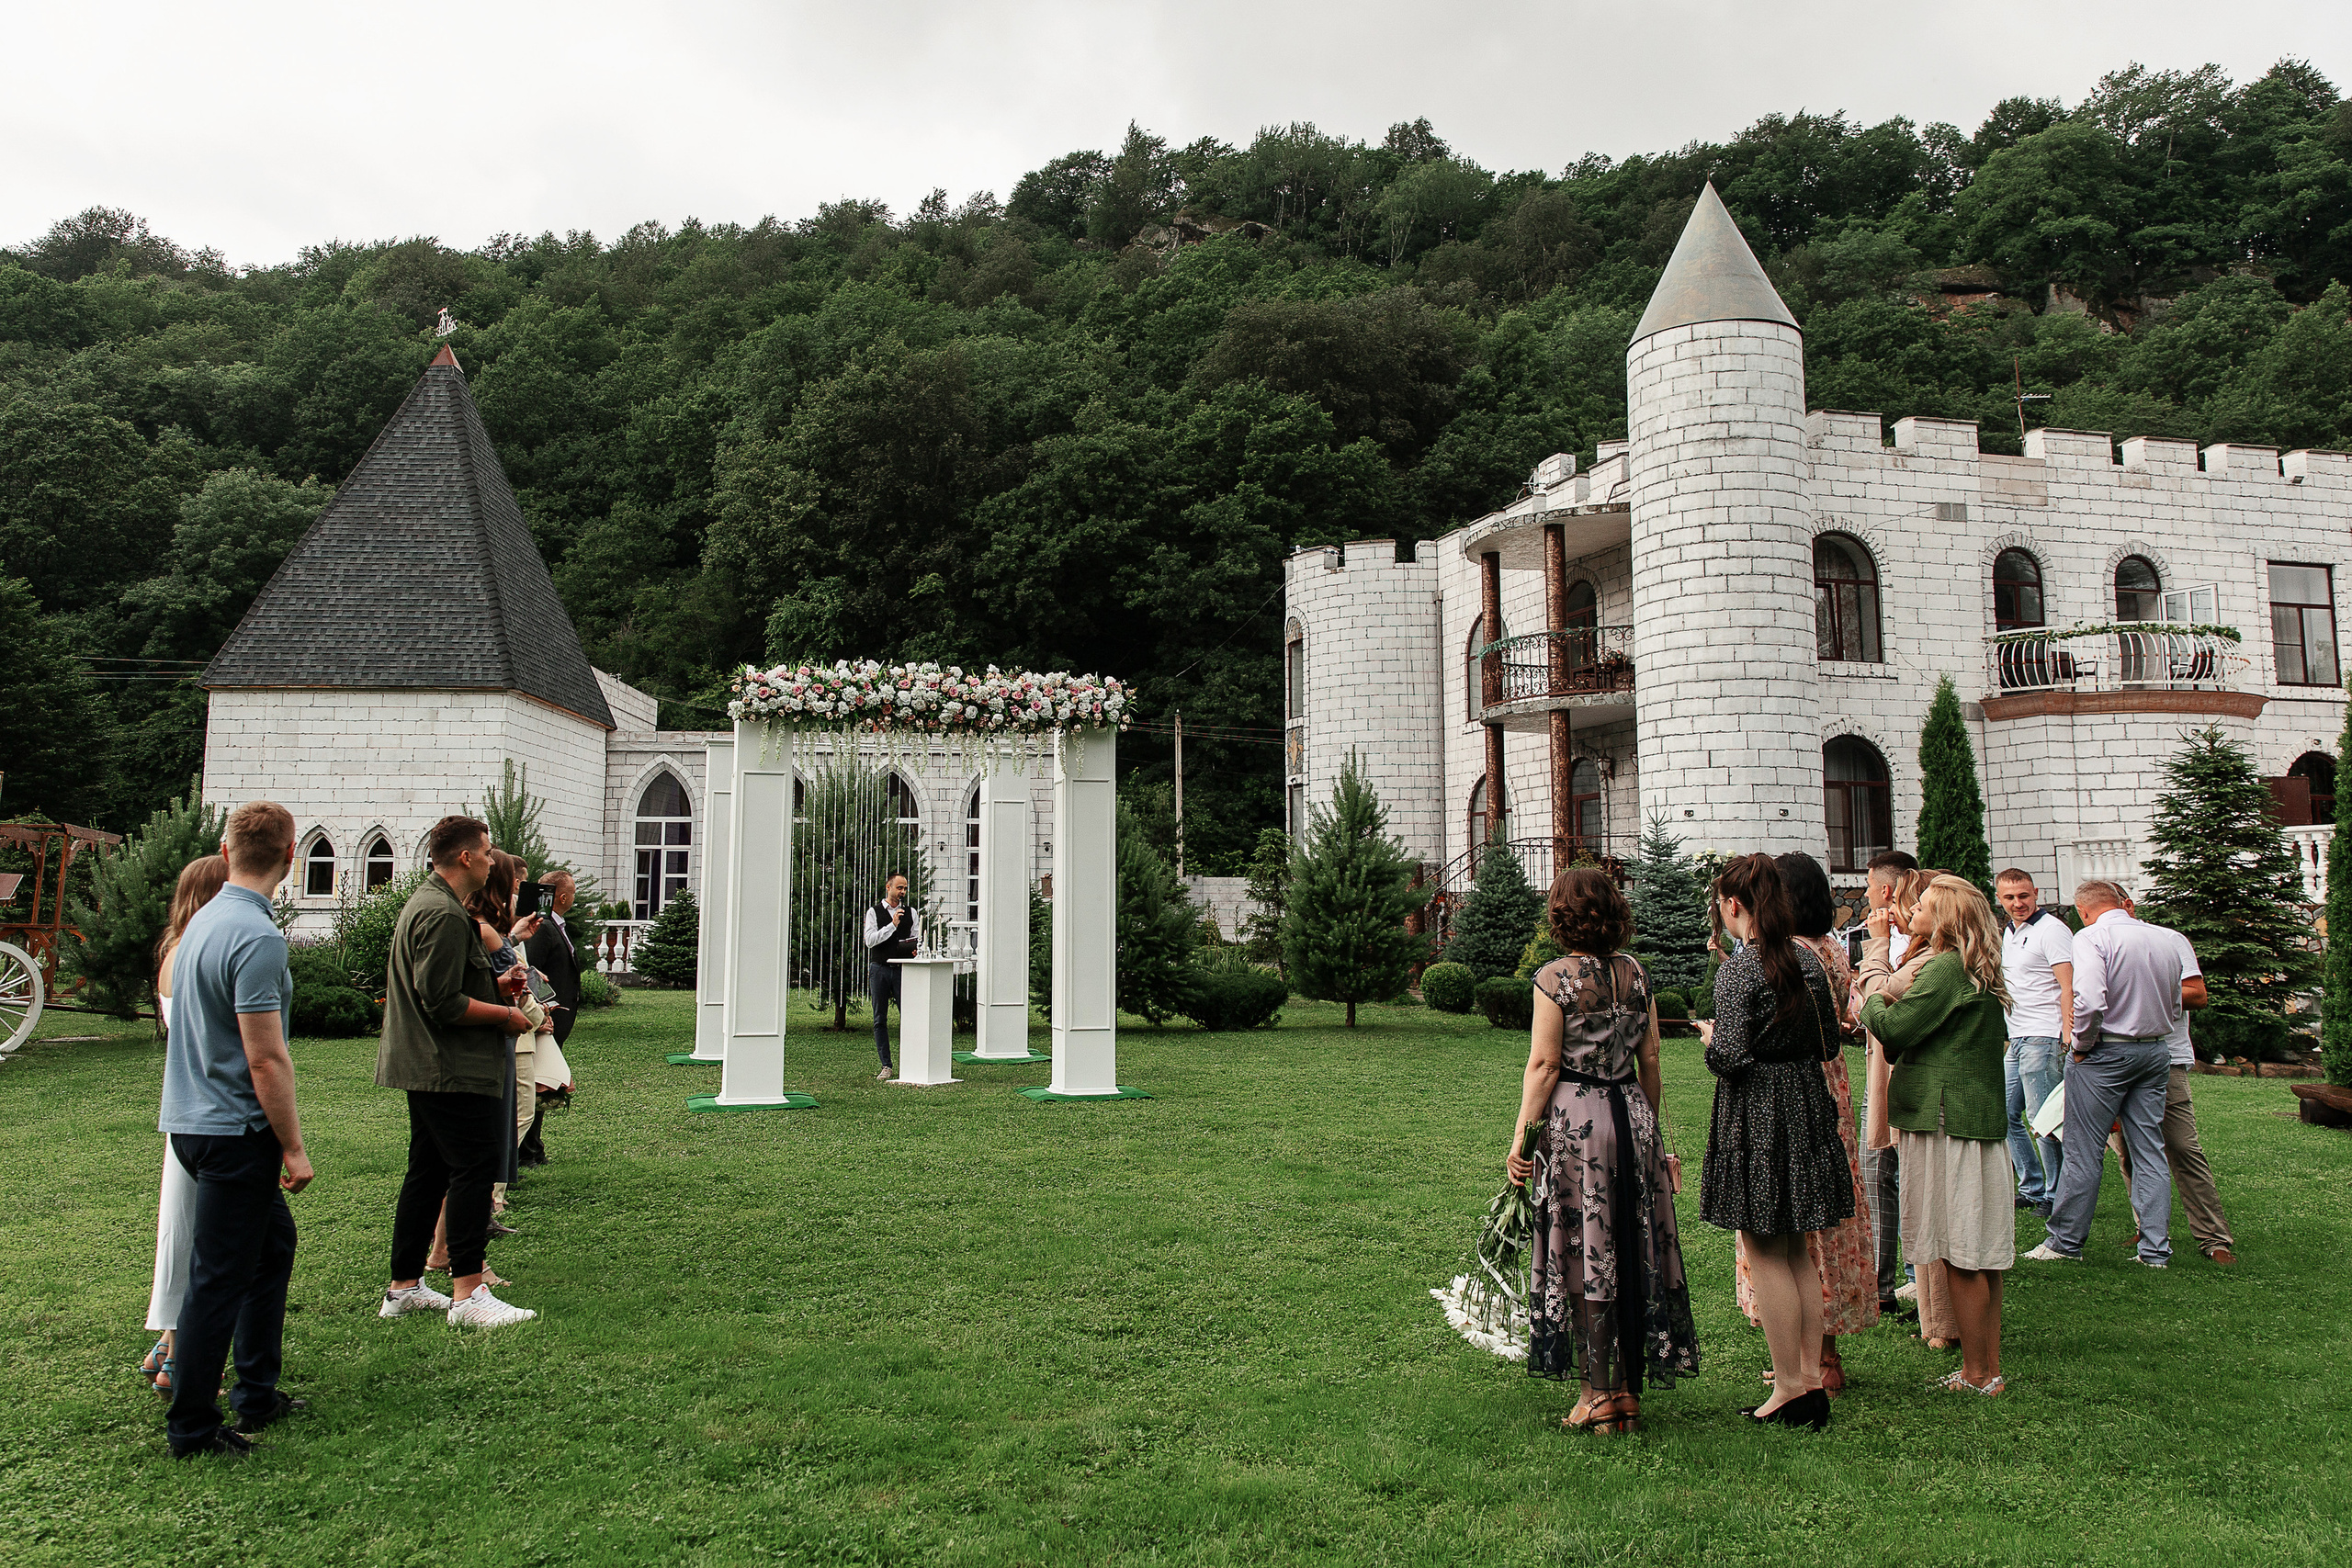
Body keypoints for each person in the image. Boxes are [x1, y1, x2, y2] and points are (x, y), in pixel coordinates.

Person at [1505, 868, 1700, 1436]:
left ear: (1562, 918)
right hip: (1632, 1116)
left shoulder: (1554, 979)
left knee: (1587, 1250)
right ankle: (1627, 1391)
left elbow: (1543, 1065)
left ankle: (1595, 1394)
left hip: (1578, 1122)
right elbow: (1654, 1059)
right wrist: (1652, 1133)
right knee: (1631, 1243)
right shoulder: (1636, 974)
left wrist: (1521, 1135)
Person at [156, 803, 312, 1458]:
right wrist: (294, 1146)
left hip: (191, 1123)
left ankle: (256, 1390)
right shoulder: (256, 937)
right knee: (218, 1276)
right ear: (291, 854)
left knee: (272, 1246)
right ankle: (192, 1425)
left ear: (225, 850)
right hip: (231, 1128)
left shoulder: (203, 922)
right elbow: (264, 1055)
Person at [1697, 853, 1851, 1431]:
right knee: (1797, 1249)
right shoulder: (1806, 965)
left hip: (1760, 1112)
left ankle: (1789, 1386)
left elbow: (1731, 1056)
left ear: (1733, 904)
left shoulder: (1742, 970)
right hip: (1807, 1105)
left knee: (1766, 1246)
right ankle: (1809, 1380)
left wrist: (1714, 1038)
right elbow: (1830, 1044)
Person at [376, 815, 541, 1329]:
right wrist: (507, 1016)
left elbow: (446, 988)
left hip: (429, 1065)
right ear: (466, 857)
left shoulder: (432, 904)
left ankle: (403, 1287)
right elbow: (443, 1002)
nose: (493, 861)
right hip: (449, 1067)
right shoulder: (443, 914)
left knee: (426, 1174)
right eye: (488, 852)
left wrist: (497, 990)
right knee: (471, 1169)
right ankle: (468, 1291)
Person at [1859, 875, 2016, 1396]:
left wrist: (1870, 1000)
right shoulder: (1975, 967)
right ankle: (1986, 1369)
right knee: (1980, 1252)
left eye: (1923, 906)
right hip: (1973, 1118)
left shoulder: (1945, 968)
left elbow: (1894, 1027)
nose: (1914, 911)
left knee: (1960, 1248)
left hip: (1944, 1120)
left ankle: (1976, 1374)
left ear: (1945, 920)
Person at [1735, 852, 1877, 1396]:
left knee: (1791, 1220)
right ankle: (1818, 1356)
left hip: (1785, 1090)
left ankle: (1808, 1360)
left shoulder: (1786, 955)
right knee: (1825, 1209)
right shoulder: (1832, 952)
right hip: (1829, 1083)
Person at [2025, 879, 2180, 1268]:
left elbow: (2090, 999)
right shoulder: (2166, 937)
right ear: (2121, 903)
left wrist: (2080, 1044)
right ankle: (2155, 1250)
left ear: (2083, 909)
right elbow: (2176, 1002)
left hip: (2107, 1051)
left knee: (2083, 1150)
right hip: (2155, 1050)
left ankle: (2065, 1242)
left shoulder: (2091, 937)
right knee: (2149, 1150)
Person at [140, 853, 230, 1399]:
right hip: (210, 1107)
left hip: (183, 1105)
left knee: (182, 1226)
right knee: (202, 1234)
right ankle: (182, 1355)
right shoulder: (197, 953)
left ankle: (170, 1342)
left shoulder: (174, 950)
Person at [2119, 894, 2234, 1265]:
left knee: (2182, 1147)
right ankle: (2148, 1228)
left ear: (2128, 904)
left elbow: (2197, 994)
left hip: (2166, 1058)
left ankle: (2213, 1237)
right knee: (2127, 1153)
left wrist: (2140, 993)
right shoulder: (2091, 943)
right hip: (2113, 1060)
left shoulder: (2168, 939)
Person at [1856, 849, 1918, 1318]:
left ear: (1885, 890)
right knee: (1877, 1173)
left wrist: (1876, 952)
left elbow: (1880, 999)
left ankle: (1919, 1279)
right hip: (1880, 1066)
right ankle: (1880, 1282)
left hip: (1908, 1072)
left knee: (1909, 1173)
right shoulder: (1895, 937)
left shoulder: (1913, 944)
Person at [1995, 870, 2074, 1216]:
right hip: (2017, 1038)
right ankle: (2032, 1186)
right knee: (2006, 1114)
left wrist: (2068, 1035)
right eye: (2009, 897)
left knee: (2044, 1122)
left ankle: (2056, 1196)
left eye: (2023, 896)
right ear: (1999, 898)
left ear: (2035, 893)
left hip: (2044, 1035)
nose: (2018, 903)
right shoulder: (2009, 932)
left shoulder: (2053, 930)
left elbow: (2069, 986)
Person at [519, 871, 583, 1166]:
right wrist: (542, 1009)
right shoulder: (543, 929)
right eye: (573, 892)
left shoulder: (556, 926)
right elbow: (530, 969)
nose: (574, 897)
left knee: (542, 1081)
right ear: (563, 897)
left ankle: (533, 1147)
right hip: (544, 1017)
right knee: (538, 1081)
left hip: (555, 1017)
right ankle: (528, 1151)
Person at [864, 873, 920, 1081]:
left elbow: (915, 937)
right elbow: (870, 940)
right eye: (899, 888)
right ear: (888, 887)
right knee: (880, 1018)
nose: (902, 892)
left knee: (909, 1016)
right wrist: (892, 925)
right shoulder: (874, 912)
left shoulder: (911, 912)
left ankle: (911, 1060)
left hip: (903, 969)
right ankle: (886, 1065)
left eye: (905, 888)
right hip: (879, 968)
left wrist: (914, 949)